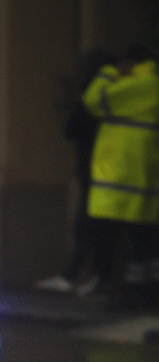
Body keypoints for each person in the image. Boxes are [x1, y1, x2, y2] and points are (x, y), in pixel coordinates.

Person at [35, 48, 115, 295]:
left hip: (95, 171)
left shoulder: (93, 99)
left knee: (87, 227)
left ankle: (80, 277)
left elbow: (70, 129)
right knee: (100, 228)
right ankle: (97, 278)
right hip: (111, 171)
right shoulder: (117, 96)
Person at [83, 44, 159, 301]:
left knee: (114, 238)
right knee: (144, 240)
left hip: (117, 179)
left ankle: (126, 292)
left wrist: (108, 73)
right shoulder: (152, 84)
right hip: (145, 179)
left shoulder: (136, 84)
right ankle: (143, 290)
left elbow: (93, 100)